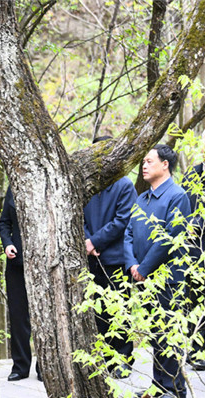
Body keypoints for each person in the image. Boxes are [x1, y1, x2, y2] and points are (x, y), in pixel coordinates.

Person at [125, 144, 191, 398]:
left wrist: (144, 268)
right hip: (143, 277)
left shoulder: (177, 196)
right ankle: (159, 384)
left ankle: (175, 389)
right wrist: (132, 264)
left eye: (149, 161)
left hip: (168, 278)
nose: (144, 165)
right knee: (155, 333)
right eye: (143, 161)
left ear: (165, 164)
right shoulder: (142, 198)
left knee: (168, 333)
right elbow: (128, 233)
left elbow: (170, 238)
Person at [84, 136, 137, 379]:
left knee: (119, 309)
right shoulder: (87, 185)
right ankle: (105, 358)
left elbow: (122, 220)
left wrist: (95, 241)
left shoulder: (124, 185)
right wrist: (87, 241)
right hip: (90, 258)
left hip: (115, 258)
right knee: (97, 311)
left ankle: (123, 359)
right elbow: (77, 215)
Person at [0, 186, 41, 382]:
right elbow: (4, 223)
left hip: (43, 265)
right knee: (18, 316)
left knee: (43, 317)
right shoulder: (13, 188)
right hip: (16, 263)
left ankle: (44, 367)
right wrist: (7, 243)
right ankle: (20, 366)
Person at [180, 128, 205, 372]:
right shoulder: (192, 174)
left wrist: (198, 223)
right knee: (194, 300)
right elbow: (182, 206)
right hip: (193, 252)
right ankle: (197, 351)